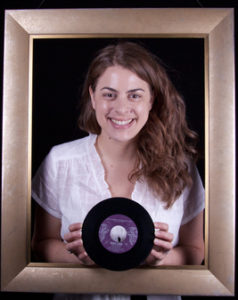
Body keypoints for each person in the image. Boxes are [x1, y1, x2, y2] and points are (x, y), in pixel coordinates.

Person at [31, 41, 205, 300]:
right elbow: (41, 244)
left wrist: (159, 259)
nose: (121, 108)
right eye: (109, 94)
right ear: (92, 96)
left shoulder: (180, 166)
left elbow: (195, 250)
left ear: (151, 100)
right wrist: (83, 258)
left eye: (134, 95)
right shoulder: (60, 161)